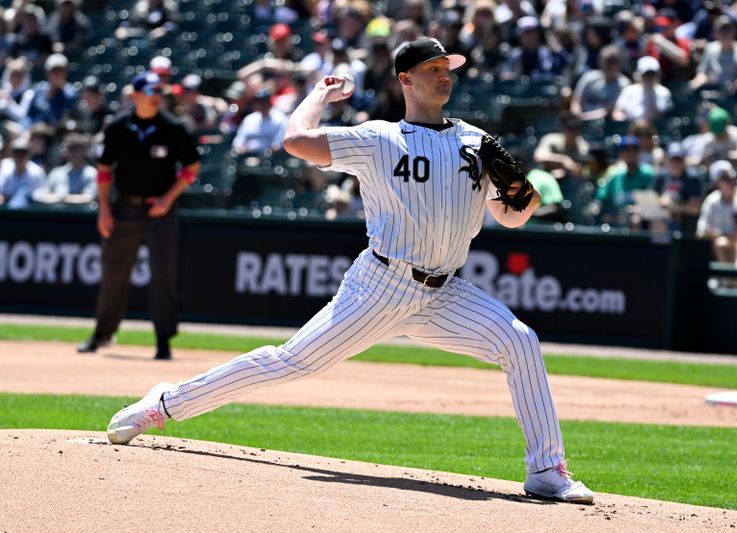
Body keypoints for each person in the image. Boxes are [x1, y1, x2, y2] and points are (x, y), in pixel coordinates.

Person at [105, 37, 594, 505]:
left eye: (448, 70)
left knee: (520, 341)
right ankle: (163, 405)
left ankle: (546, 471)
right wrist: (319, 94)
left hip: (443, 293)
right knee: (290, 362)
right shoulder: (379, 138)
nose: (444, 77)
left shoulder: (475, 141)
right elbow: (296, 140)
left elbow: (510, 214)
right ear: (405, 79)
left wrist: (521, 193)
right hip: (380, 287)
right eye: (433, 70)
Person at [77, 72, 201, 359]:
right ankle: (102, 334)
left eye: (157, 91)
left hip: (159, 210)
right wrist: (104, 210)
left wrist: (168, 198)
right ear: (135, 96)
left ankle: (163, 340)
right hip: (124, 208)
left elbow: (192, 166)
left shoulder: (173, 126)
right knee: (113, 273)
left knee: (163, 274)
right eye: (148, 92)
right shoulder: (118, 126)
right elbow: (104, 170)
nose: (154, 96)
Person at [696, 160, 737, 268]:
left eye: (732, 177)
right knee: (721, 243)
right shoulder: (711, 201)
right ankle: (729, 279)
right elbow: (701, 231)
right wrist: (717, 234)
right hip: (722, 242)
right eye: (726, 179)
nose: (731, 181)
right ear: (717, 183)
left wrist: (726, 234)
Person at [31, 132, 96, 205]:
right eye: (70, 149)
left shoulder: (92, 173)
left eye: (76, 149)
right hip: (57, 215)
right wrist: (54, 198)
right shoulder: (57, 172)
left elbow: (89, 198)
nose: (73, 153)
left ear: (84, 151)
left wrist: (63, 198)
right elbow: (40, 194)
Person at [611, 56, 673, 122]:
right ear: (640, 75)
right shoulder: (628, 91)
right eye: (646, 75)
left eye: (652, 74)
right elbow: (617, 113)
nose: (649, 78)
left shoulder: (664, 93)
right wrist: (629, 122)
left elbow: (666, 116)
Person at [231, 87, 288, 154]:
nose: (262, 104)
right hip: (246, 155)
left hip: (269, 158)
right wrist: (242, 149)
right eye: (259, 102)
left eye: (264, 101)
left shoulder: (280, 119)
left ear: (269, 102)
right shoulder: (249, 119)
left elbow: (277, 145)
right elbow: (238, 142)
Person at [0, 137, 46, 209]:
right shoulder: (5, 167)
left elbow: (42, 195)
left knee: (24, 192)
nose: (20, 156)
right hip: (6, 212)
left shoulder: (36, 172)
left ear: (29, 155)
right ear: (11, 154)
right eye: (16, 152)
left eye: (23, 153)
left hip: (30, 212)